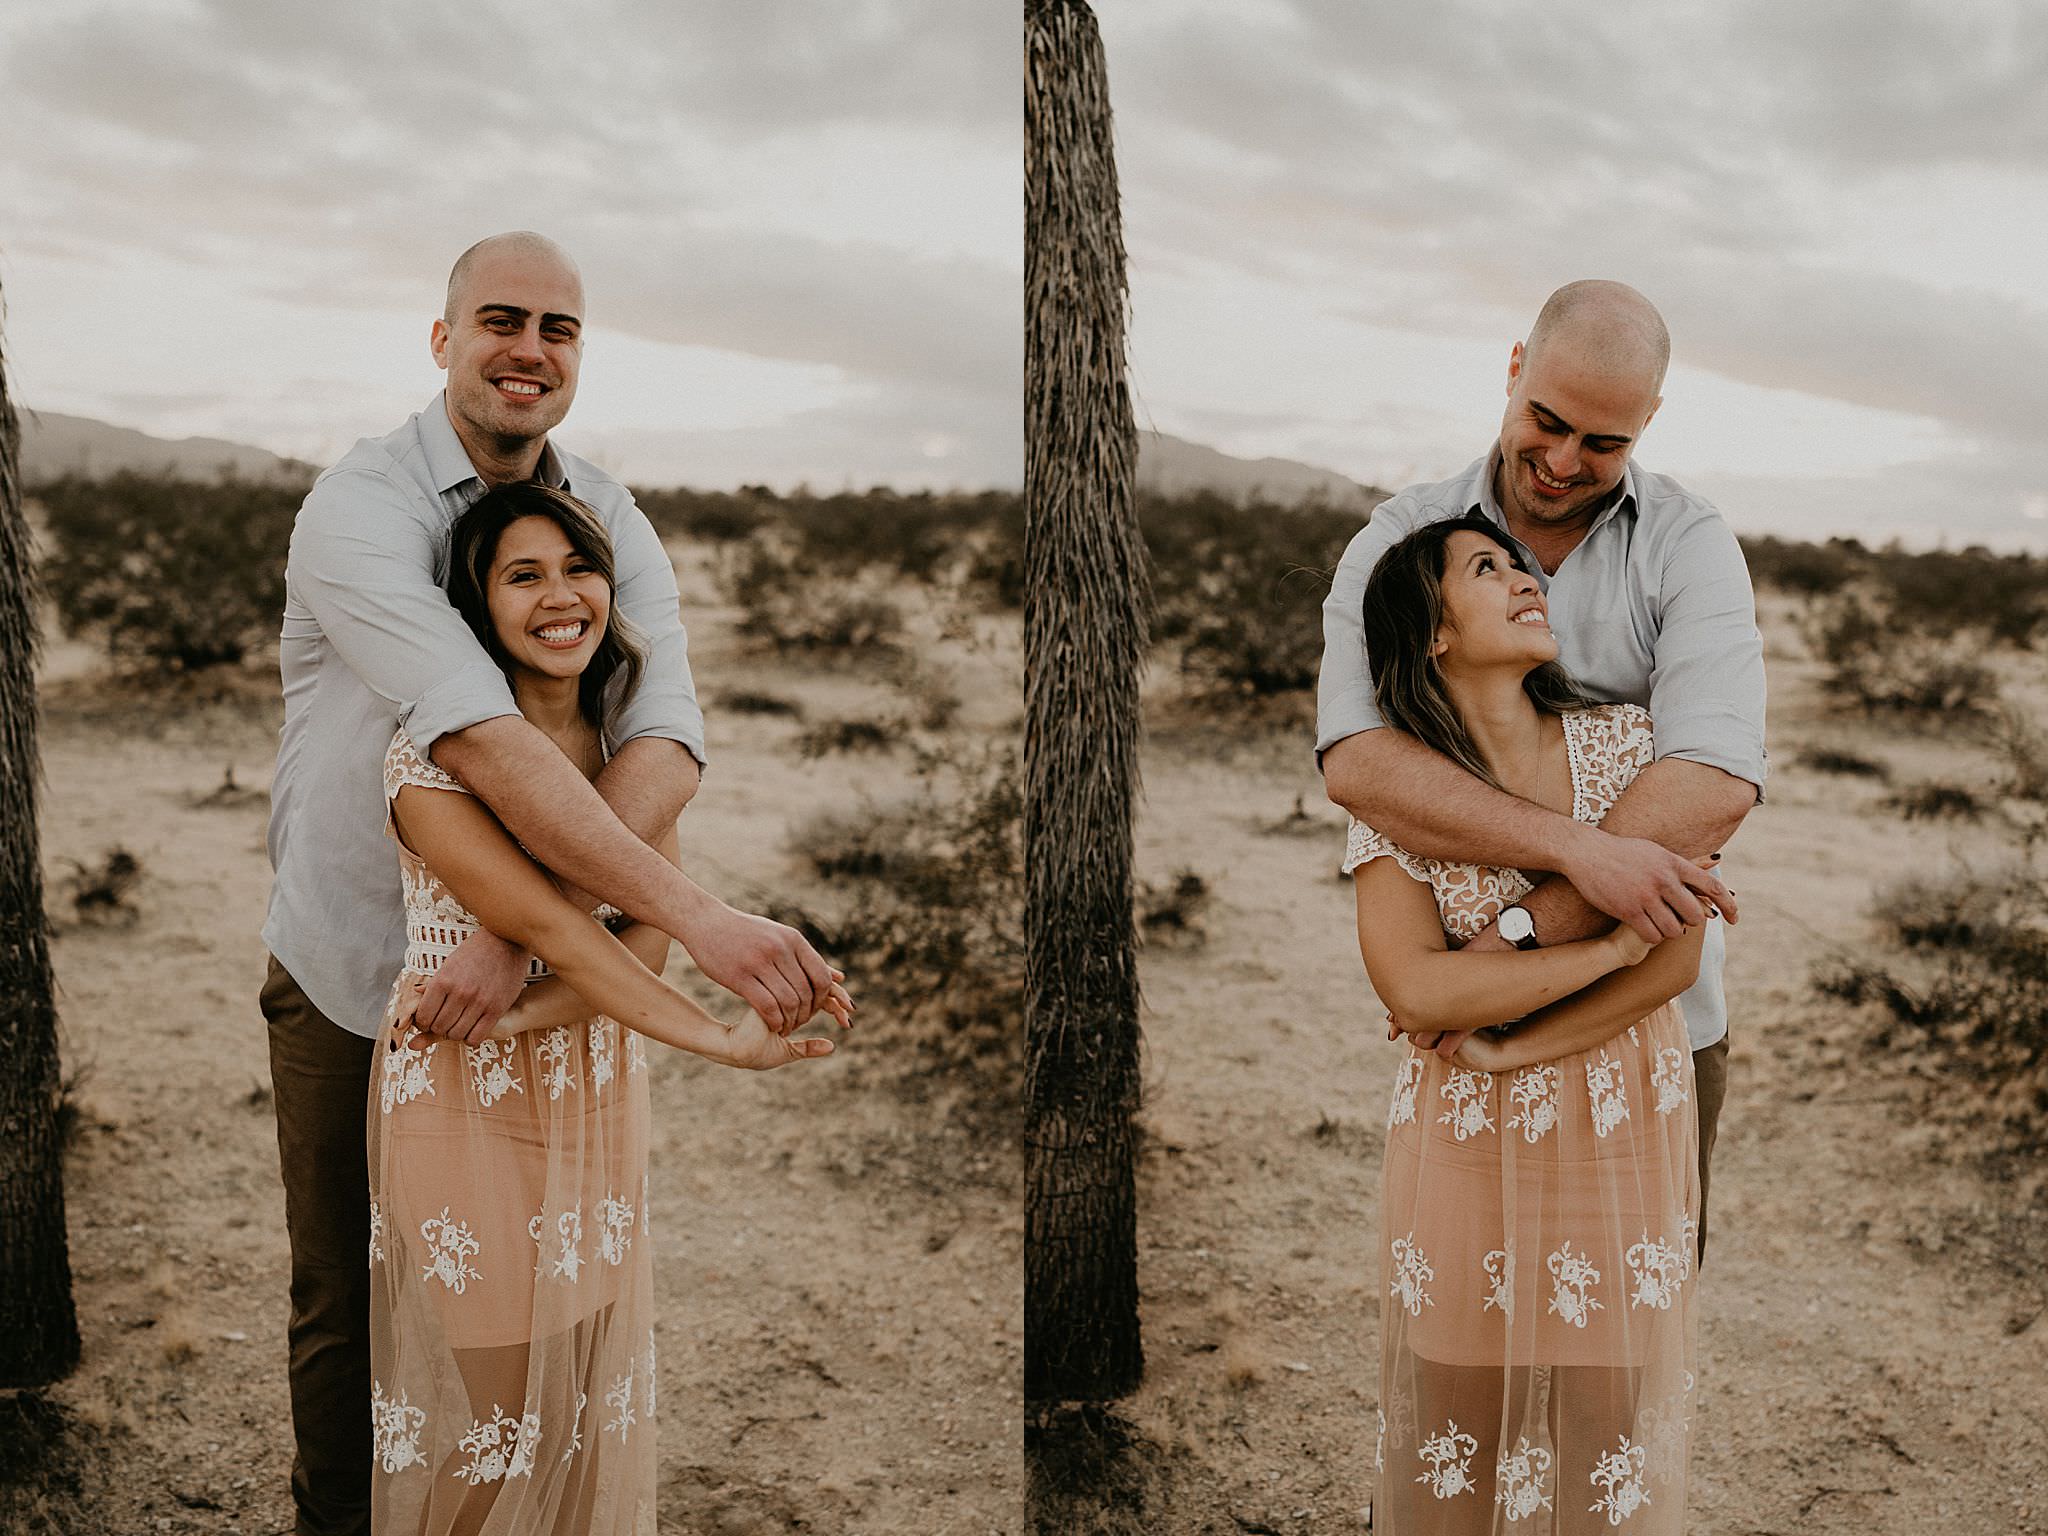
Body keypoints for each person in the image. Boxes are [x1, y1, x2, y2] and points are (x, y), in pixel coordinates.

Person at [260, 231, 844, 1536]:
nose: (530, 350)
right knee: (350, 1312)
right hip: (357, 968)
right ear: (444, 338)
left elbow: (665, 735)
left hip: (546, 1002)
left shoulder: (607, 518)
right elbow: (474, 734)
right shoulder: (359, 508)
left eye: (559, 328)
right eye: (501, 320)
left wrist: (528, 947)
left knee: (562, 1342)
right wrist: (697, 928)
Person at [369, 483, 846, 1533]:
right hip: (456, 1096)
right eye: (521, 575)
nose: (558, 596)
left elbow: (643, 947)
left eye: (577, 568)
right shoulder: (429, 758)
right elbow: (558, 934)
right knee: (501, 1434)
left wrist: (526, 1020)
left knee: (579, 1413)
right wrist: (719, 1045)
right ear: (474, 607)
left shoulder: (632, 761)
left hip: (587, 1091)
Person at [1318, 281, 1764, 1266]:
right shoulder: (1404, 533)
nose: (1563, 464)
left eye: (1602, 444)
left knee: (1626, 1329)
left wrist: (1497, 958)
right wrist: (1581, 857)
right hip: (1461, 1032)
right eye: (1546, 423)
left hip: (1647, 1016)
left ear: (1647, 421)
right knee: (1475, 1321)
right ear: (1513, 369)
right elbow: (1357, 760)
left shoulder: (1688, 547)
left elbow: (1714, 778)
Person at [1348, 514, 1709, 1532]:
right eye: (1483, 567)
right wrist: (1599, 952)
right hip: (1463, 1146)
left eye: (1519, 566)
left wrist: (1510, 1038)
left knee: (1606, 1446)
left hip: (1620, 1126)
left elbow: (1676, 955)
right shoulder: (1397, 793)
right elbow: (1414, 992)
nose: (1522, 580)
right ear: (1432, 634)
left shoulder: (1625, 746)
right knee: (1457, 1442)